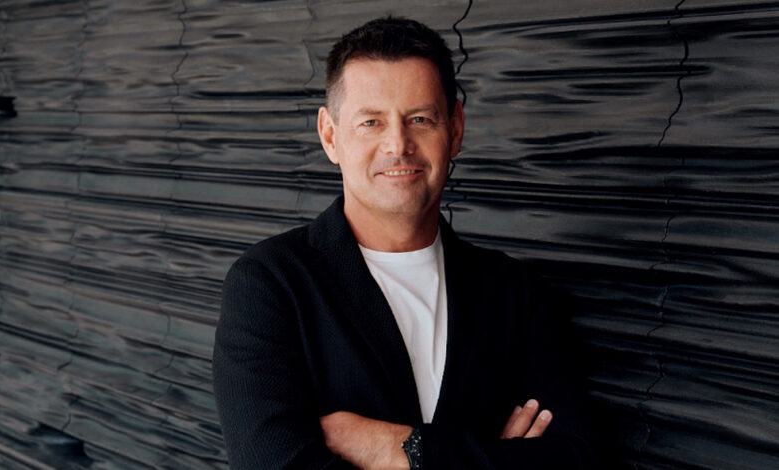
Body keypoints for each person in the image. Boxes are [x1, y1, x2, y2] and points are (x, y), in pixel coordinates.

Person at [212, 16, 594, 469]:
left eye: (420, 119)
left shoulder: (515, 292)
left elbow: (574, 460)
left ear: (455, 128)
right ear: (330, 135)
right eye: (371, 122)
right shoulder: (270, 284)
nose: (398, 144)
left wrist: (396, 447)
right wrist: (495, 459)